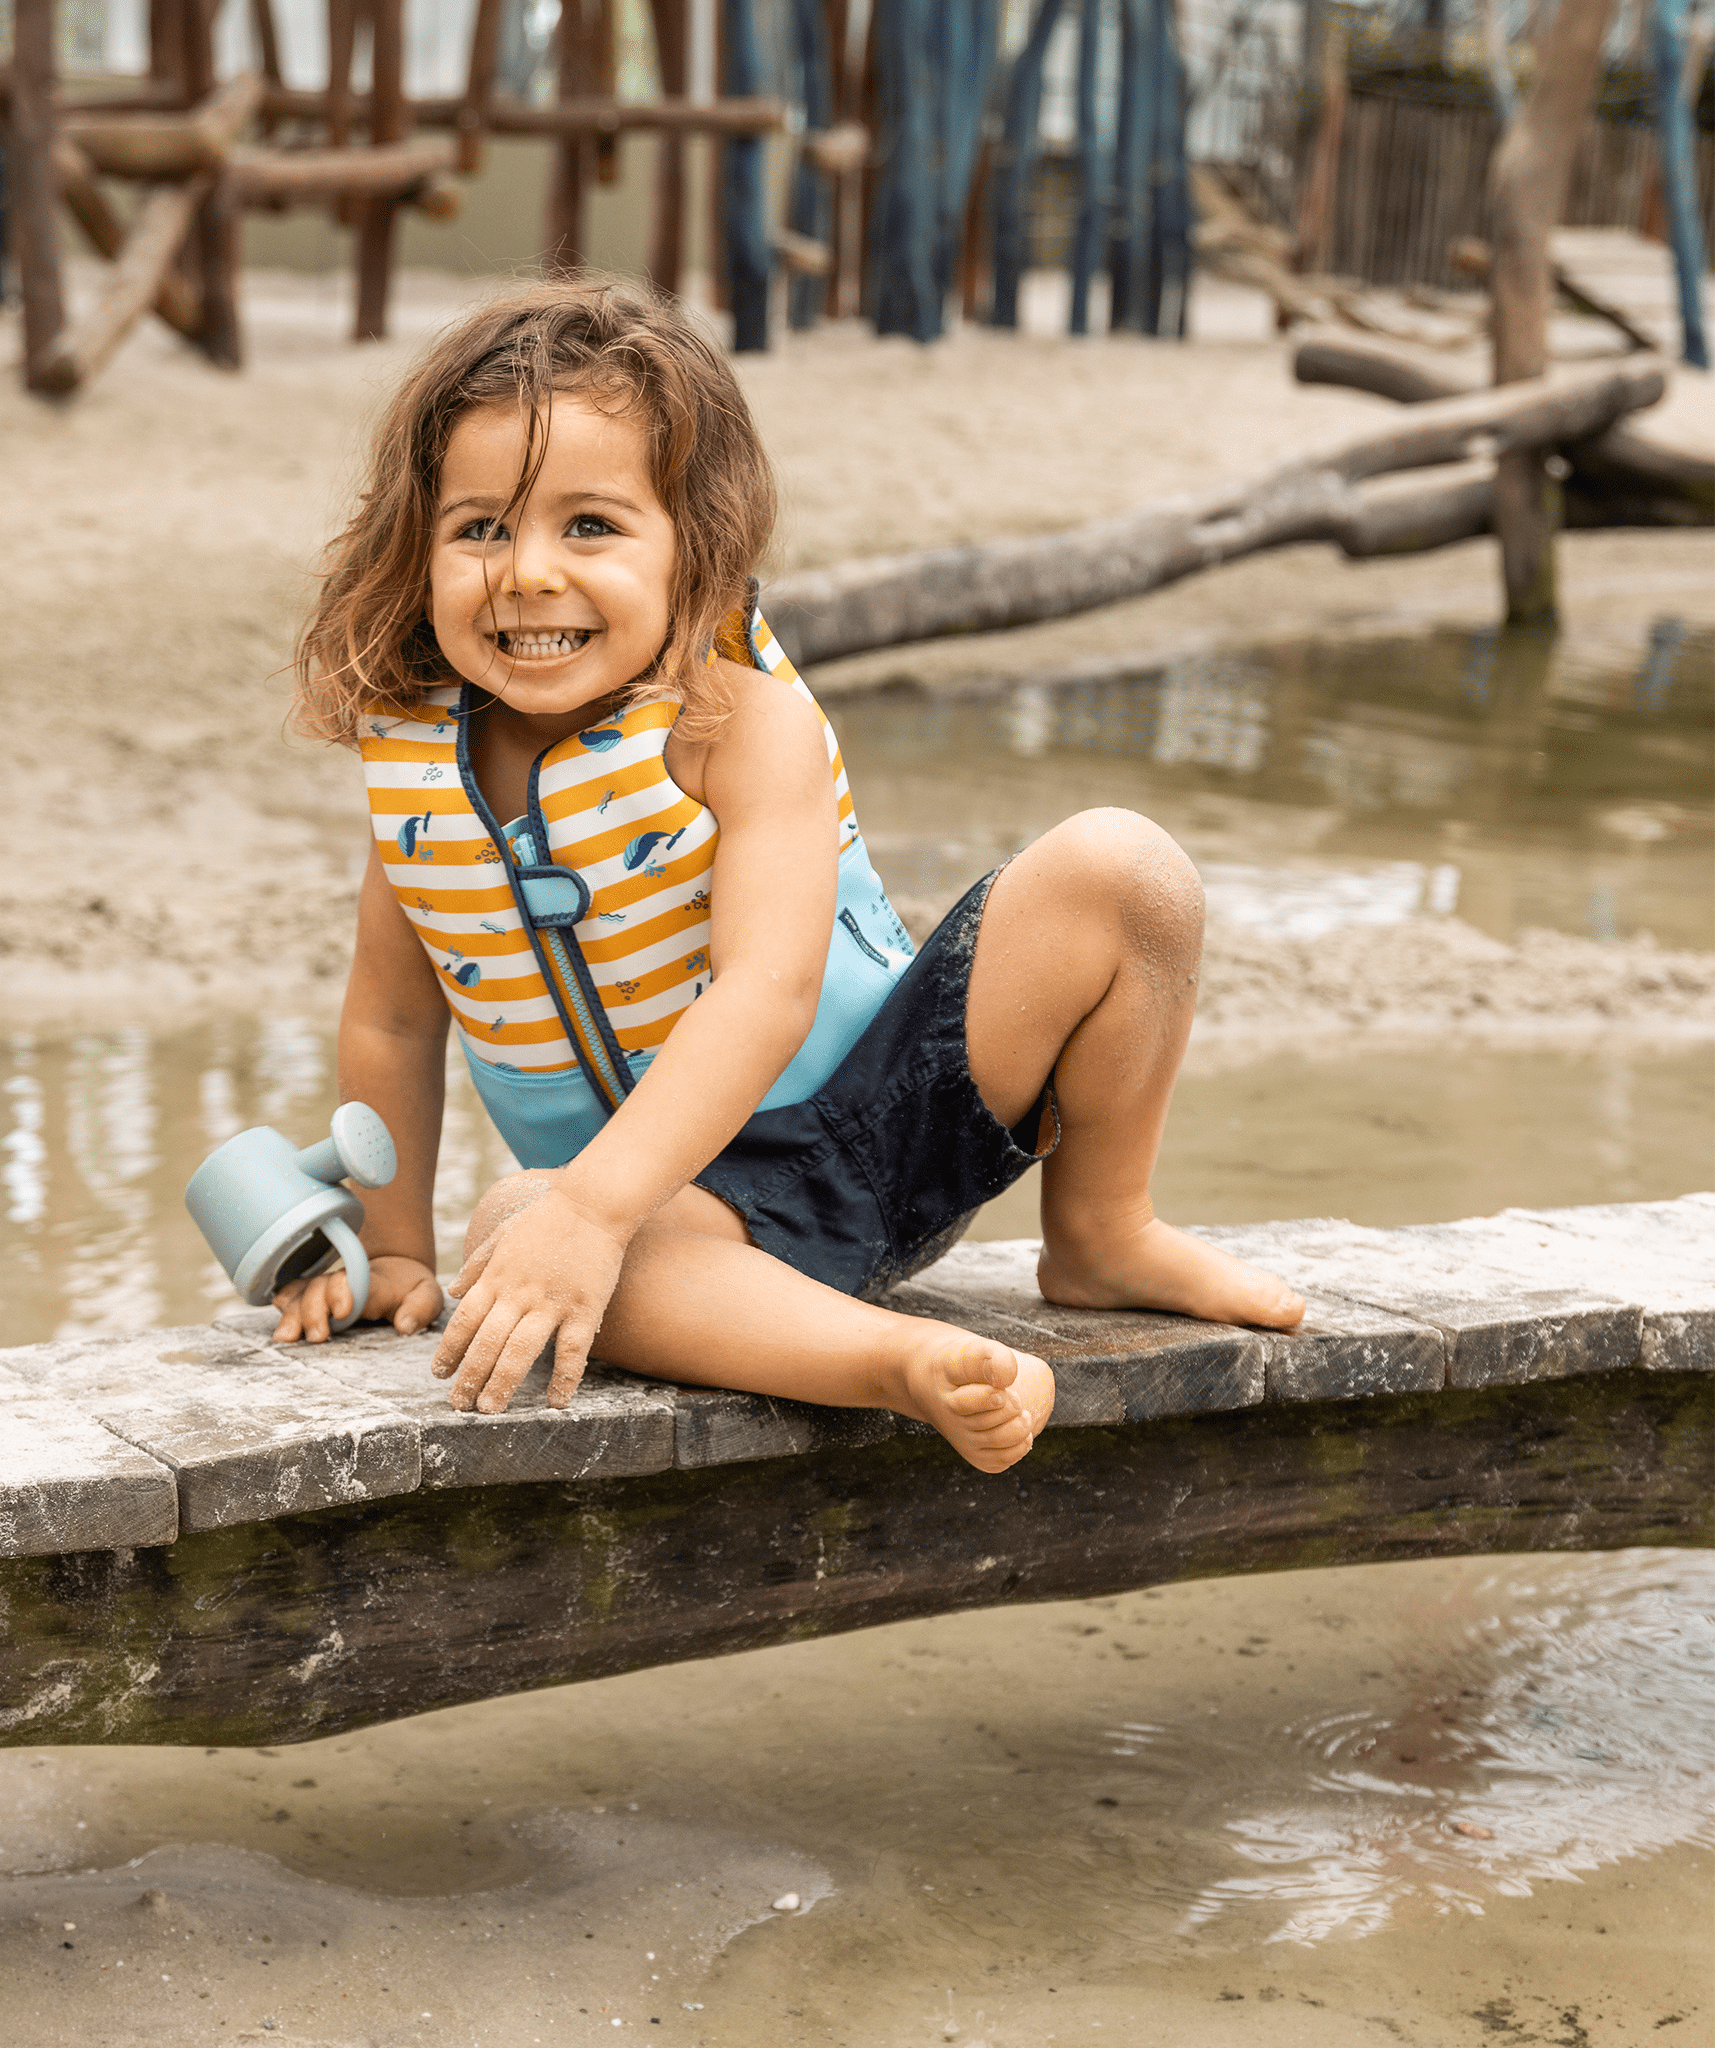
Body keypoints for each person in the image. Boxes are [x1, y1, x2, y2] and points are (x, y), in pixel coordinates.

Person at [272, 279, 1303, 1474]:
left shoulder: (738, 723)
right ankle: (891, 1359)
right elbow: (392, 1022)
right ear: (417, 548)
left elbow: (767, 987)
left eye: (589, 525)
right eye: (479, 528)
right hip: (689, 1222)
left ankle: (1100, 1229)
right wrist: (399, 1248)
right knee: (512, 1223)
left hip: (900, 1114)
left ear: (693, 545)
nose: (528, 572)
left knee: (1125, 866)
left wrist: (590, 1207)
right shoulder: (425, 783)